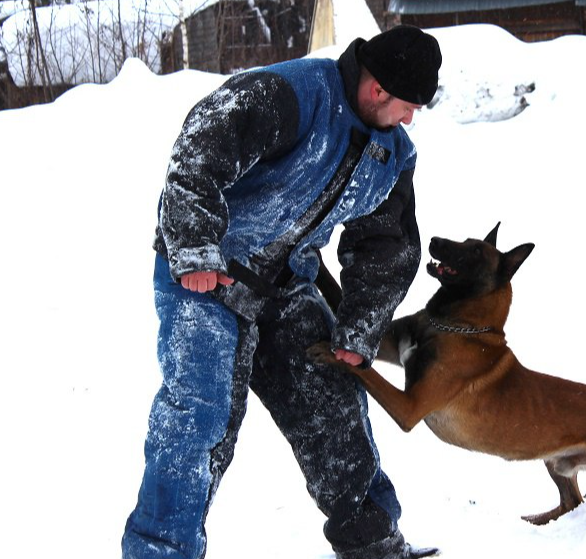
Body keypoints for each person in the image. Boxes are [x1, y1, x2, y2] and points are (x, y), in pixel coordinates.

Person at [121, 25, 442, 559]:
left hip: (286, 286)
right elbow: (202, 143)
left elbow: (386, 248)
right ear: (378, 90)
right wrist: (196, 248)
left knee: (334, 409)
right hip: (210, 277)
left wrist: (359, 328)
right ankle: (160, 551)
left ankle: (372, 543)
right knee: (200, 416)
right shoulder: (293, 93)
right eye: (409, 105)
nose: (410, 119)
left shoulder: (392, 156)